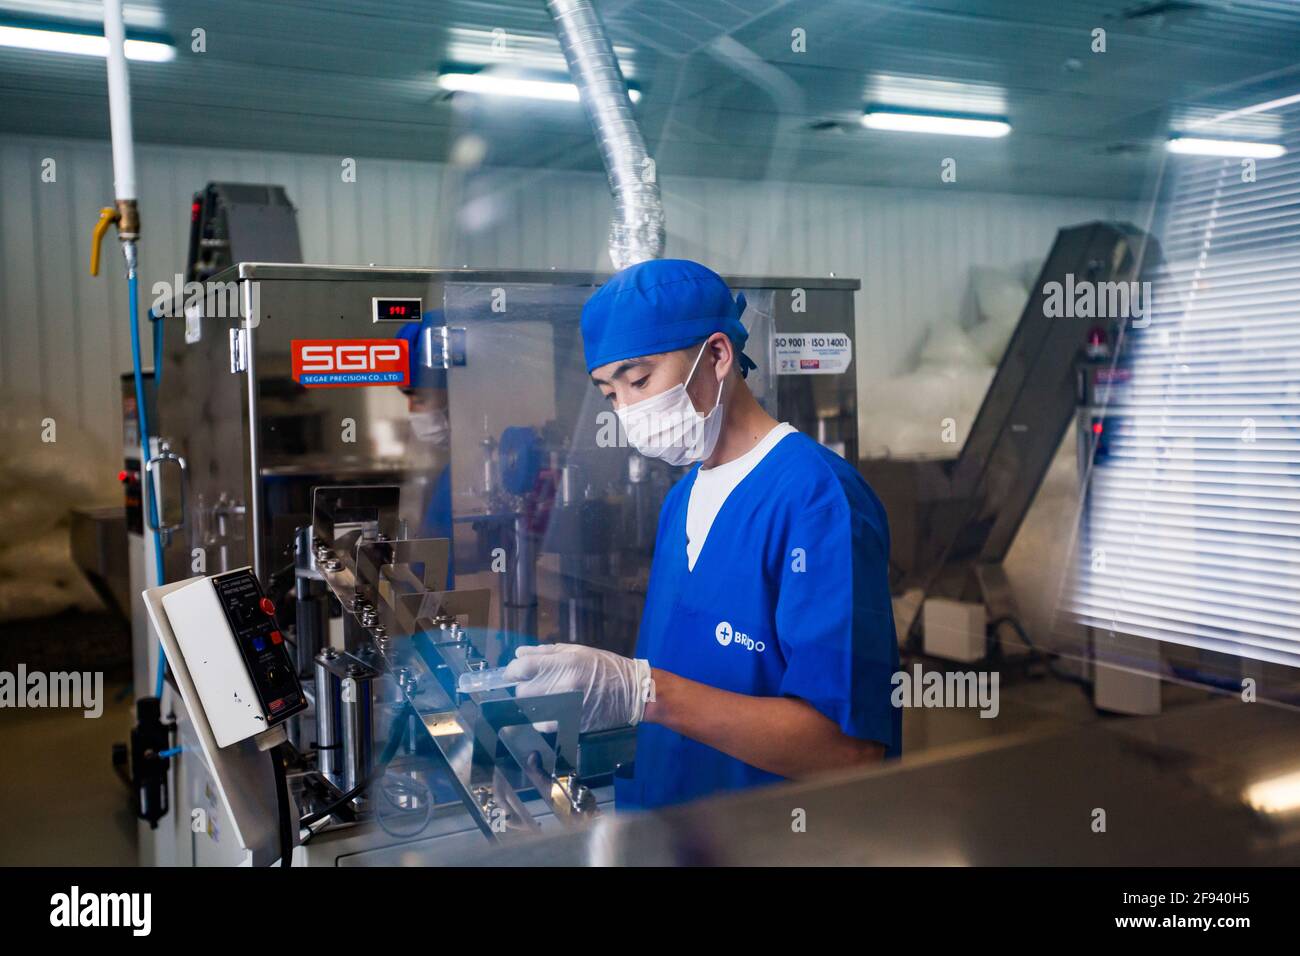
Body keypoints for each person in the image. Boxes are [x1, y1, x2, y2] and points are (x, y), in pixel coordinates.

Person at [504, 259, 901, 809]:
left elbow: (846, 751)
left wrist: (642, 692)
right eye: (610, 395)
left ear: (718, 356)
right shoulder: (681, 501)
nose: (629, 410)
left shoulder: (818, 499)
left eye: (640, 380)